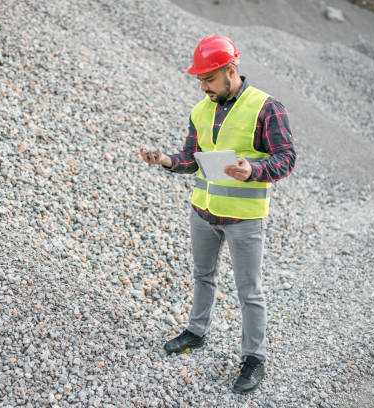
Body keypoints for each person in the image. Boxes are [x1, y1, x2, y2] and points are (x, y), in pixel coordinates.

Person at [139, 35, 295, 394]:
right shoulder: (200, 110)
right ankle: (196, 332)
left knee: (249, 291)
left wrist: (252, 170)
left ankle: (254, 358)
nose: (204, 87)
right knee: (203, 275)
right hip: (203, 210)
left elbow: (286, 158)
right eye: (200, 81)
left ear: (231, 70)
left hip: (244, 217)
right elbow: (191, 159)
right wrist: (164, 161)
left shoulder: (267, 108)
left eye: (209, 79)